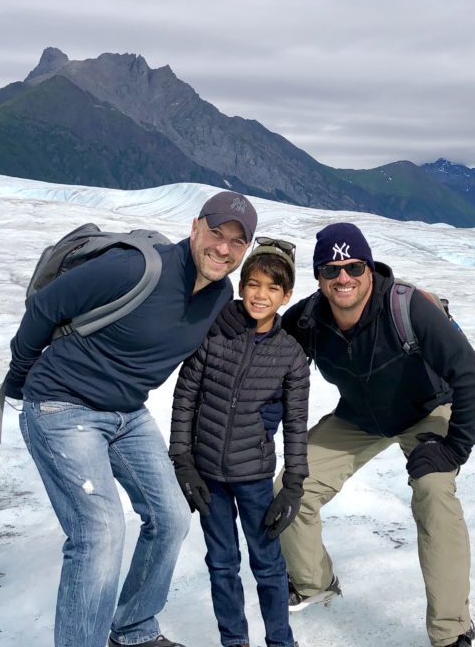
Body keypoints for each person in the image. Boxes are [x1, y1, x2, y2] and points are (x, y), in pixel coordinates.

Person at [1, 191, 258, 647]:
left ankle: (134, 630)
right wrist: (20, 379)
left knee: (172, 517)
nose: (223, 249)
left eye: (237, 243)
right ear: (196, 226)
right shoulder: (137, 269)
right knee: (99, 532)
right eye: (216, 233)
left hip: (126, 414)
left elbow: (254, 330)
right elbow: (45, 309)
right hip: (63, 405)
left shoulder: (220, 295)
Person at [280, 222, 475, 647]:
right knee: (293, 487)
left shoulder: (408, 308)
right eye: (331, 269)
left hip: (427, 410)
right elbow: (266, 355)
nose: (344, 278)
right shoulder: (306, 319)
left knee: (433, 491)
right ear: (318, 276)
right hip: (359, 418)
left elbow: (472, 378)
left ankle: (451, 632)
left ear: (370, 269)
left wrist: (454, 448)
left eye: (354, 267)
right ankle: (314, 582)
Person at [169, 237, 308, 647]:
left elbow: (296, 425)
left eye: (272, 287)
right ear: (242, 284)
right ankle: (234, 641)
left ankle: (281, 641)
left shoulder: (290, 355)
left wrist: (295, 484)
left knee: (267, 564)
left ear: (287, 295)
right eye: (253, 283)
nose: (260, 295)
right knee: (222, 564)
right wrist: (182, 459)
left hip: (255, 478)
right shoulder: (214, 332)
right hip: (207, 472)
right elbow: (185, 396)